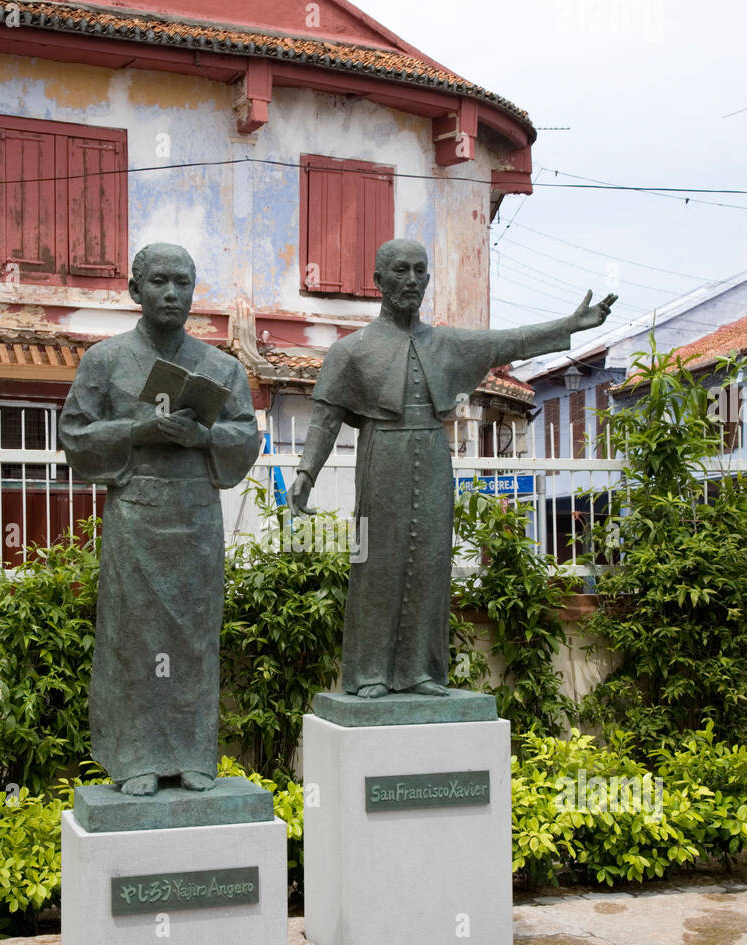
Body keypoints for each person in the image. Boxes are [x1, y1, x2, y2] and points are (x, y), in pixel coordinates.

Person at [289, 238, 616, 699]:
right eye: (400, 271)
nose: (412, 280)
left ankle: (421, 670)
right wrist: (306, 473)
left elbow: (512, 340)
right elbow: (325, 417)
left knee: (430, 562)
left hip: (433, 453)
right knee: (377, 563)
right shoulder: (353, 350)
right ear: (379, 281)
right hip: (382, 453)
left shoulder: (445, 342)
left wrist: (569, 325)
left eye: (420, 270)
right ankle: (370, 673)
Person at [59, 243, 260, 794]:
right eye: (160, 281)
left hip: (195, 516)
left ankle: (194, 753)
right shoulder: (104, 360)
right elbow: (74, 435)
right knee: (136, 638)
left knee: (195, 637)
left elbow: (246, 436)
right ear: (135, 290)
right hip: (135, 517)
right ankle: (138, 759)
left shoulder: (220, 367)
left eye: (183, 283)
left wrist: (205, 436)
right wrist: (136, 430)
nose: (172, 293)